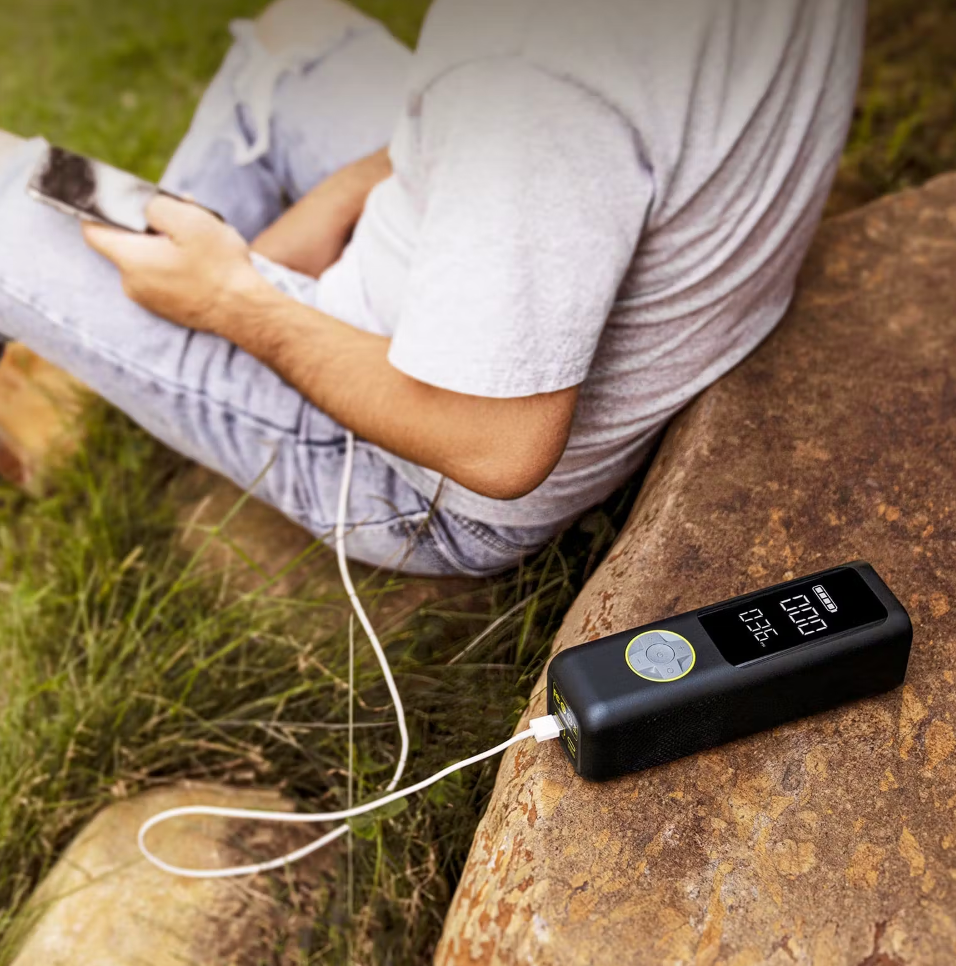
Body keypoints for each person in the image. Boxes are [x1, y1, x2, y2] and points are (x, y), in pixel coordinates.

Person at [0, 0, 865, 577]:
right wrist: (345, 194)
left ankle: (106, 364)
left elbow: (496, 447)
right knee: (296, 34)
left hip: (413, 474)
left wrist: (235, 302)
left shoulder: (537, 76)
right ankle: (120, 347)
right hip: (512, 248)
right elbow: (516, 128)